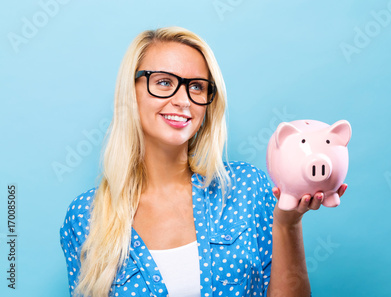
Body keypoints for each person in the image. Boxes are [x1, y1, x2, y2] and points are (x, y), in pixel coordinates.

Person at [59, 26, 347, 297]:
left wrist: (288, 225)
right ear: (131, 92)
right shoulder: (86, 216)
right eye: (163, 82)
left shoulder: (246, 188)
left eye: (196, 87)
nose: (183, 99)